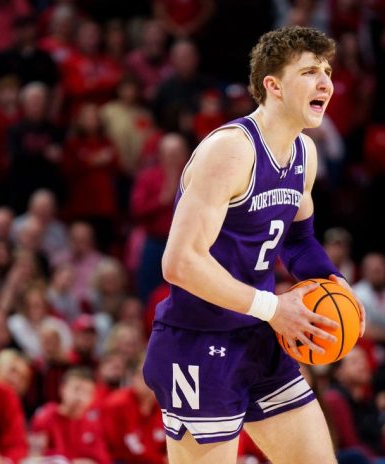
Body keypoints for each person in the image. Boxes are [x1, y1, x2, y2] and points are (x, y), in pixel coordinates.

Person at [143, 26, 365, 464]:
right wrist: (274, 308)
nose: (325, 83)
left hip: (259, 335)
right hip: (198, 343)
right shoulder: (231, 151)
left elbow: (298, 241)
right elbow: (179, 262)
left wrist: (333, 281)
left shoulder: (304, 153)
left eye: (327, 71)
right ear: (273, 86)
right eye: (309, 72)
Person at [30, 367, 111, 463]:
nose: (80, 397)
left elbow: (103, 460)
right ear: (62, 389)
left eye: (87, 392)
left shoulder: (93, 424)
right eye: (76, 389)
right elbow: (36, 456)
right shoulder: (45, 417)